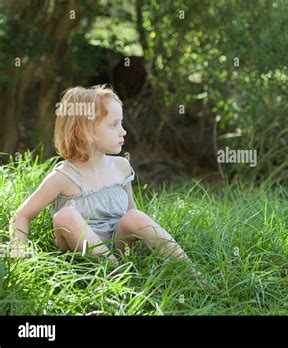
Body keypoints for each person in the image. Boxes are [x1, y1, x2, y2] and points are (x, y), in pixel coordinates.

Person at [9, 85, 193, 270]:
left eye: (121, 123)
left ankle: (192, 273)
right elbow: (22, 215)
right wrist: (19, 256)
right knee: (65, 216)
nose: (123, 131)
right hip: (78, 251)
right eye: (114, 125)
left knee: (134, 216)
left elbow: (131, 214)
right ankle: (114, 271)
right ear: (83, 132)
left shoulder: (121, 167)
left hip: (119, 247)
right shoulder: (64, 176)